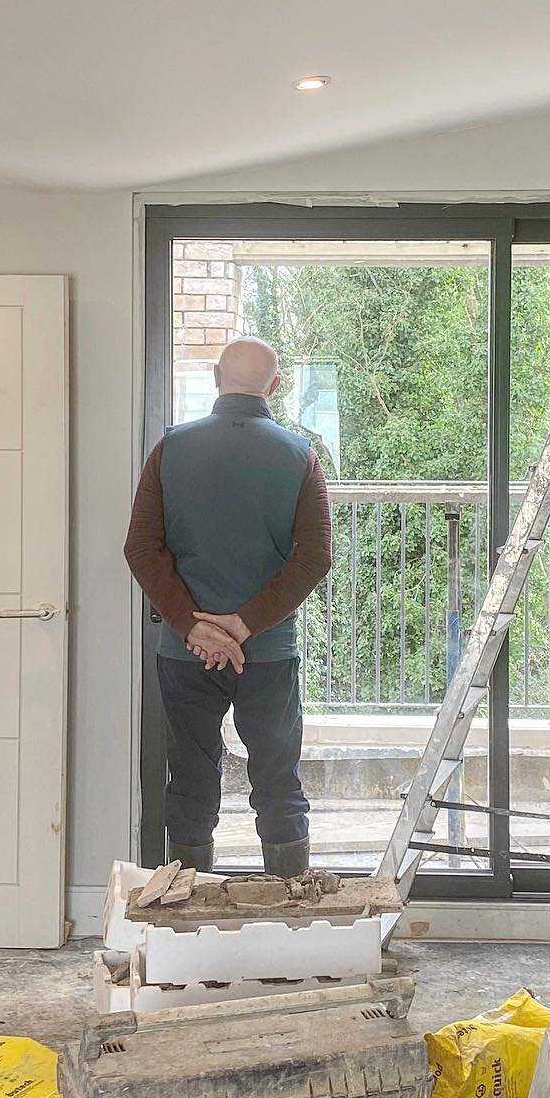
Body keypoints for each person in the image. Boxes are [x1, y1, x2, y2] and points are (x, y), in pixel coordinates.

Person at [124, 336, 333, 875]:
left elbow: (141, 548)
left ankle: (185, 912)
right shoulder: (299, 456)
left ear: (217, 378)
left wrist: (195, 628)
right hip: (267, 651)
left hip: (185, 651)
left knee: (190, 780)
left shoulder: (170, 450)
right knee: (277, 780)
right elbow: (313, 559)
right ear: (275, 386)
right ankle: (290, 911)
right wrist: (243, 625)